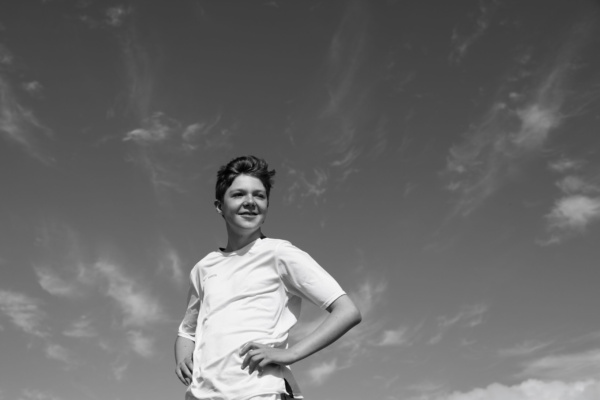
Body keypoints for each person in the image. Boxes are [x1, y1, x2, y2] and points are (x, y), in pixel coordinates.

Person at [174, 155, 362, 400]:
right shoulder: (204, 268)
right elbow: (187, 331)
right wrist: (182, 360)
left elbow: (347, 311)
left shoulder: (279, 253)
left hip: (260, 392)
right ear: (220, 205)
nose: (250, 202)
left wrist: (290, 353)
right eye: (239, 194)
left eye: (259, 195)